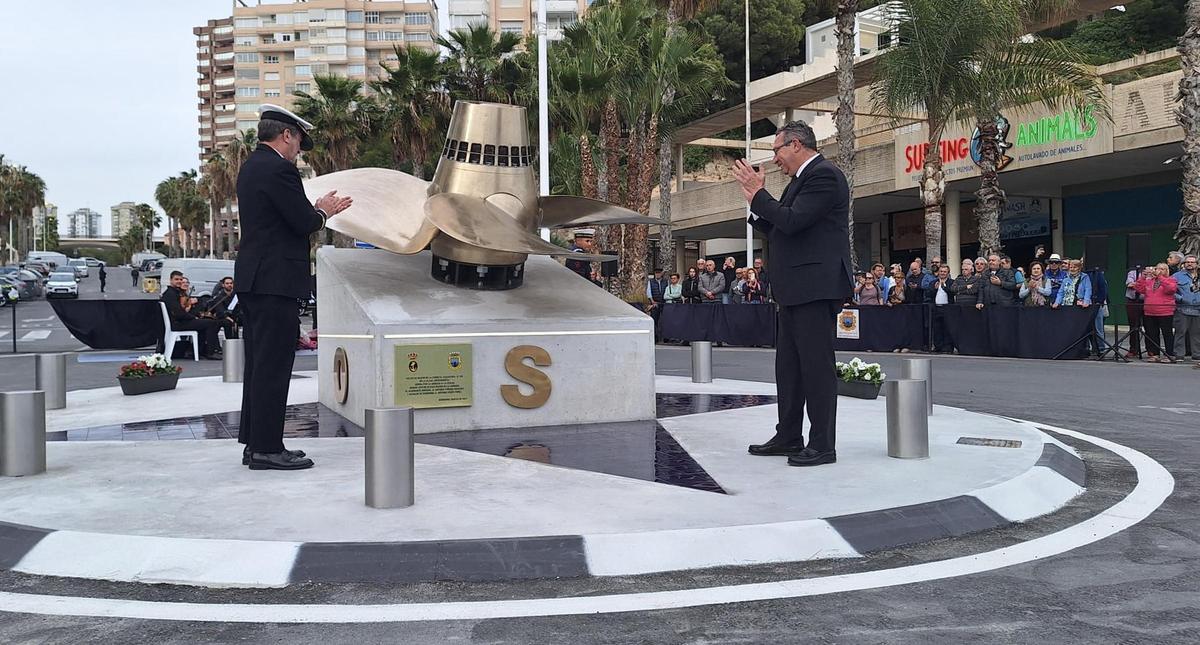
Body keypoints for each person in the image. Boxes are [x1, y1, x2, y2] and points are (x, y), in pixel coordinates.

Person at [235, 104, 352, 471]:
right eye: (299, 140)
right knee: (272, 366)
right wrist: (324, 211)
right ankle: (267, 448)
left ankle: (255, 443)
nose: (299, 149)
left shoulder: (252, 166)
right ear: (286, 134)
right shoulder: (279, 169)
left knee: (258, 365)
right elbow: (303, 222)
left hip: (255, 280)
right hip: (275, 282)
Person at [733, 119, 851, 467]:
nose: (774, 160)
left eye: (777, 150)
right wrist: (756, 204)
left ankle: (822, 444)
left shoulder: (824, 175)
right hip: (794, 289)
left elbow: (793, 221)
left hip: (815, 288)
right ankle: (788, 434)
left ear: (796, 144)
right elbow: (782, 226)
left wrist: (760, 195)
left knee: (815, 367)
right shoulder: (801, 181)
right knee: (789, 367)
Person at [160, 271, 222, 360]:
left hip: (179, 322)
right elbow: (179, 314)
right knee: (211, 323)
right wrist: (193, 317)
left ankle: (197, 351)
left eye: (180, 279)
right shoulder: (171, 294)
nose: (179, 281)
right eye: (176, 279)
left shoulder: (175, 292)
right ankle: (210, 352)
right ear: (170, 280)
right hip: (178, 323)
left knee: (205, 323)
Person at [1134, 263, 1178, 362]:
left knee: (1167, 334)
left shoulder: (1171, 280)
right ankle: (1155, 354)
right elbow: (1139, 289)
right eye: (1157, 269)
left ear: (1166, 271)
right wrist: (1143, 277)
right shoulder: (1150, 281)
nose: (1159, 271)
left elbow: (1171, 289)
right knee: (1152, 333)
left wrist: (1160, 277)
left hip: (1165, 311)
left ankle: (1169, 354)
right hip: (1150, 311)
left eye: (1162, 269)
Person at [1173, 255, 1200, 364]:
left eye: (1192, 262)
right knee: (1180, 332)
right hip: (1182, 309)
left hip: (1198, 309)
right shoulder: (1177, 276)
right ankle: (1179, 355)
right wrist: (1180, 298)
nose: (1189, 264)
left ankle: (1197, 355)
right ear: (1183, 264)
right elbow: (1170, 291)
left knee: (1197, 333)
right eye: (1187, 262)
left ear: (1196, 264)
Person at [927, 264, 954, 352]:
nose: (942, 273)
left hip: (947, 308)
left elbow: (952, 293)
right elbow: (928, 295)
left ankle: (947, 347)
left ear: (948, 273)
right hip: (936, 308)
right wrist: (934, 289)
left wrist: (944, 288)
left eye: (944, 272)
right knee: (937, 328)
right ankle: (938, 346)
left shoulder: (951, 282)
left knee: (947, 328)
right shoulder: (933, 282)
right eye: (941, 271)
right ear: (938, 272)